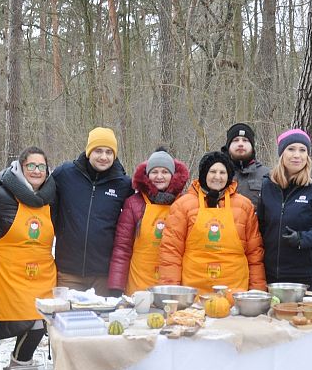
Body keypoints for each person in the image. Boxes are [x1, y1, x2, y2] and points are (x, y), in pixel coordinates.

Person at [0, 147, 56, 369]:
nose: (36, 171)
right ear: (21, 167)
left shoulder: (53, 196)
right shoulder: (1, 194)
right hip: (11, 275)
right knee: (32, 325)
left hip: (43, 274)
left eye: (41, 166)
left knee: (41, 324)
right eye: (31, 166)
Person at [159, 151, 266, 294]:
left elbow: (254, 254)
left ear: (229, 176)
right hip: (193, 294)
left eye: (222, 172)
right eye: (213, 171)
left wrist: (257, 292)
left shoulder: (244, 206)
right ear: (204, 174)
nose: (217, 177)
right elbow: (171, 252)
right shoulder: (182, 205)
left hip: (235, 291)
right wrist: (171, 293)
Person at [258, 129, 312, 291]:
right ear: (281, 154)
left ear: (308, 155)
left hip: (306, 276)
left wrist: (303, 238)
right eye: (291, 149)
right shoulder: (268, 184)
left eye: (302, 150)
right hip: (270, 274)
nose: (297, 155)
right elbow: (260, 227)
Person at [52, 127, 133, 296]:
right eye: (98, 151)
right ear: (89, 151)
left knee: (102, 322)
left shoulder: (123, 184)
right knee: (69, 320)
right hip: (69, 272)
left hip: (104, 273)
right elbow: (39, 192)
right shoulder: (65, 175)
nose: (104, 157)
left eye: (109, 152)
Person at [108, 149, 190, 295]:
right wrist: (116, 286)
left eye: (165, 172)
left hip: (172, 282)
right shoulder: (133, 203)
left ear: (173, 175)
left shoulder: (184, 203)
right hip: (139, 282)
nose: (159, 176)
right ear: (147, 175)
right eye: (154, 172)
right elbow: (122, 248)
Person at [221, 122, 270, 206]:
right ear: (228, 146)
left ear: (252, 146)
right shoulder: (218, 172)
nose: (240, 144)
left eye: (245, 140)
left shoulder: (267, 175)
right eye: (236, 140)